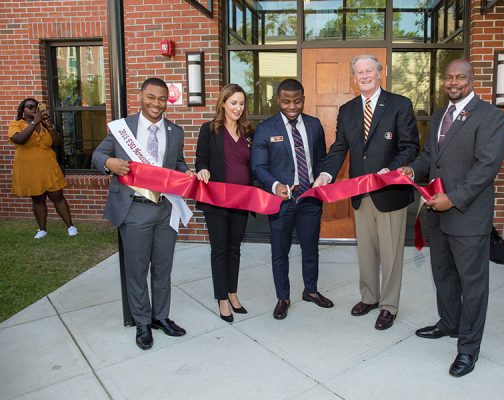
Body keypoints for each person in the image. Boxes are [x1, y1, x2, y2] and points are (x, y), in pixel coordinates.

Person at [399, 59, 504, 377]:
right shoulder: (438, 115)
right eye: (449, 77)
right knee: (443, 275)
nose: (453, 82)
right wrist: (413, 169)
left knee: (472, 285)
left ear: (472, 80)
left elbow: (487, 166)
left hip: (467, 216)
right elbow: (431, 157)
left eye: (460, 77)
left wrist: (454, 199)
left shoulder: (490, 116)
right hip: (437, 215)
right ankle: (449, 323)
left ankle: (469, 349)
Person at [313, 55, 419, 331]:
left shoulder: (400, 105)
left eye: (369, 70)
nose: (364, 76)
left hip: (390, 191)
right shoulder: (347, 110)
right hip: (361, 193)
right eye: (359, 72)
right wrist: (326, 174)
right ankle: (370, 297)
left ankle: (389, 306)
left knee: (391, 252)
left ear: (380, 73)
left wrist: (390, 170)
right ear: (354, 77)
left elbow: (410, 147)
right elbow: (339, 148)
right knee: (367, 252)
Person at [92, 78, 196, 350]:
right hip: (134, 207)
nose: (156, 104)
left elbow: (179, 163)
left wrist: (188, 173)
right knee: (137, 270)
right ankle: (141, 323)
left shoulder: (175, 131)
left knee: (163, 268)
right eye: (151, 97)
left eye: (162, 99)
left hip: (165, 208)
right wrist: (108, 162)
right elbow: (97, 155)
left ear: (167, 101)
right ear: (141, 96)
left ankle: (161, 317)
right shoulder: (122, 128)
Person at [251, 78, 333, 320]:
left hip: (309, 199)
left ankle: (311, 290)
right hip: (281, 202)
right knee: (280, 251)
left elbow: (321, 158)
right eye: (286, 101)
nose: (292, 106)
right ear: (278, 100)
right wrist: (275, 186)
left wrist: (322, 179)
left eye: (297, 101)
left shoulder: (315, 125)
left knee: (311, 248)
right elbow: (258, 166)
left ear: (303, 100)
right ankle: (283, 297)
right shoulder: (266, 129)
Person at [195, 84, 253, 322]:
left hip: (241, 200)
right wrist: (203, 170)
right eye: (233, 103)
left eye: (241, 103)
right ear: (223, 103)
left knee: (235, 249)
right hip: (217, 200)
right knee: (220, 250)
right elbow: (201, 160)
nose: (237, 108)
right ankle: (221, 298)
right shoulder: (209, 130)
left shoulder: (249, 131)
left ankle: (233, 292)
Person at [8, 98, 77, 239]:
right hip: (29, 167)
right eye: (30, 107)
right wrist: (34, 122)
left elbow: (57, 142)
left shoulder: (44, 125)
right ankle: (42, 229)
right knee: (38, 199)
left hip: (48, 166)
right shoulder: (16, 124)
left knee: (57, 196)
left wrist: (50, 126)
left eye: (36, 107)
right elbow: (19, 139)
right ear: (23, 110)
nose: (34, 109)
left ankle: (71, 226)